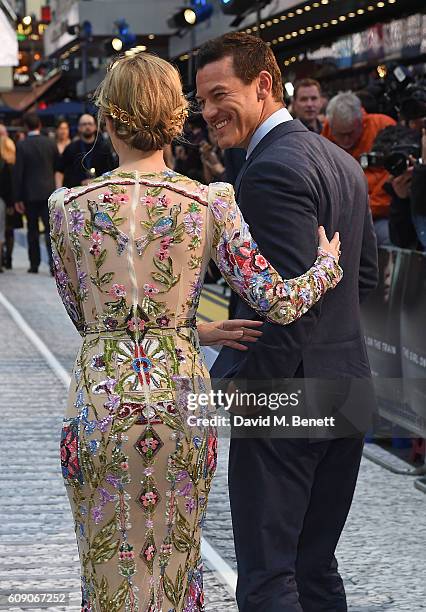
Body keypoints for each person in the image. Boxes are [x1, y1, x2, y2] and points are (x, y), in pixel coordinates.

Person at [48, 51, 342, 612]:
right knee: (177, 567)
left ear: (108, 121)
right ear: (177, 120)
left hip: (100, 398)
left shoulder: (67, 208)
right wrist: (326, 266)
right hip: (180, 402)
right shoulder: (209, 202)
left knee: (104, 569)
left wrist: (171, 328)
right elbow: (277, 301)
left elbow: (88, 316)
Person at [196, 32, 378, 612]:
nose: (207, 112)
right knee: (314, 567)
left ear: (264, 85)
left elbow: (287, 314)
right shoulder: (342, 162)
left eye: (219, 94)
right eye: (200, 101)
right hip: (348, 388)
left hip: (290, 399)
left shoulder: (269, 169)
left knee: (270, 577)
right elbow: (366, 280)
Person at [321, 92, 396, 245]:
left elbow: (391, 177)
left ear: (361, 121)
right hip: (341, 217)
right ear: (331, 125)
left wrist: (364, 207)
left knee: (388, 237)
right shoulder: (325, 135)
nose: (346, 140)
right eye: (340, 134)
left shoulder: (382, 125)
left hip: (378, 213)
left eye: (350, 133)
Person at [14, 112, 59, 274]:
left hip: (29, 195)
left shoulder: (22, 145)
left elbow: (18, 173)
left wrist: (17, 198)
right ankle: (54, 266)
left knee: (32, 231)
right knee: (50, 231)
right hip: (48, 192)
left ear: (26, 127)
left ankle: (34, 265)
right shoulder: (50, 143)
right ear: (39, 125)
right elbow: (56, 166)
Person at [56, 113, 116, 188]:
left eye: (90, 124)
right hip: (76, 192)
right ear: (79, 127)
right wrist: (58, 191)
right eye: (84, 124)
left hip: (100, 190)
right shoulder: (71, 148)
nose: (87, 126)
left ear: (95, 127)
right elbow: (59, 170)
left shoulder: (104, 148)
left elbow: (112, 170)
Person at [0, 124, 17, 270]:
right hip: (8, 200)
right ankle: (8, 260)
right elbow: (11, 184)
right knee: (8, 230)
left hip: (6, 200)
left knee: (5, 230)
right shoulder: (10, 163)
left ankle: (4, 260)